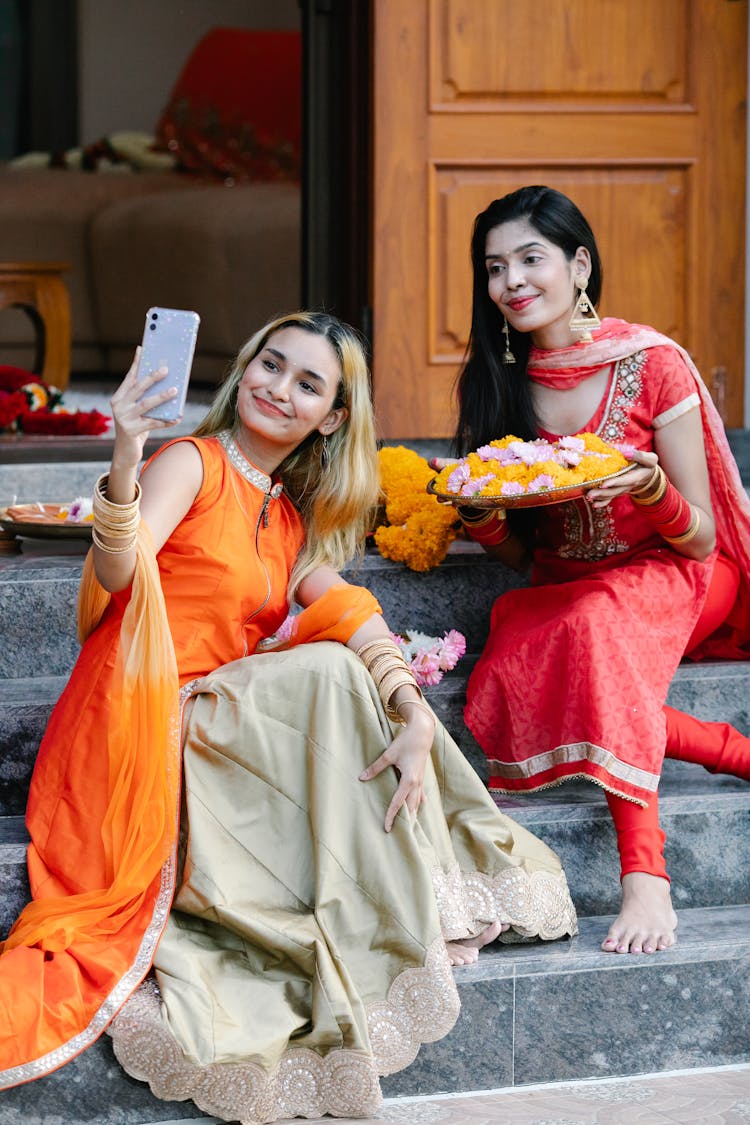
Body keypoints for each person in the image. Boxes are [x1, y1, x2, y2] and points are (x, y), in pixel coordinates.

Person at [0, 311, 577, 1122]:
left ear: (332, 417)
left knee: (360, 670)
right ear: (244, 370)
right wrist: (126, 450)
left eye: (308, 383)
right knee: (330, 673)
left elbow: (346, 606)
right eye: (271, 365)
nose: (279, 388)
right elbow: (118, 576)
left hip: (213, 723)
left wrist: (414, 709)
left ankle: (424, 889)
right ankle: (382, 896)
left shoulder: (289, 512)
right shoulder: (191, 463)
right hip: (141, 721)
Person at [446, 185, 750, 959]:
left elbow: (703, 537)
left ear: (580, 265)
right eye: (494, 267)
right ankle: (729, 749)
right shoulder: (499, 381)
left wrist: (651, 490)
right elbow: (524, 555)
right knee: (538, 637)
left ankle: (645, 873)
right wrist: (479, 515)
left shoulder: (652, 364)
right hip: (569, 584)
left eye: (530, 259)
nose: (510, 282)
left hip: (677, 574)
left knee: (594, 628)